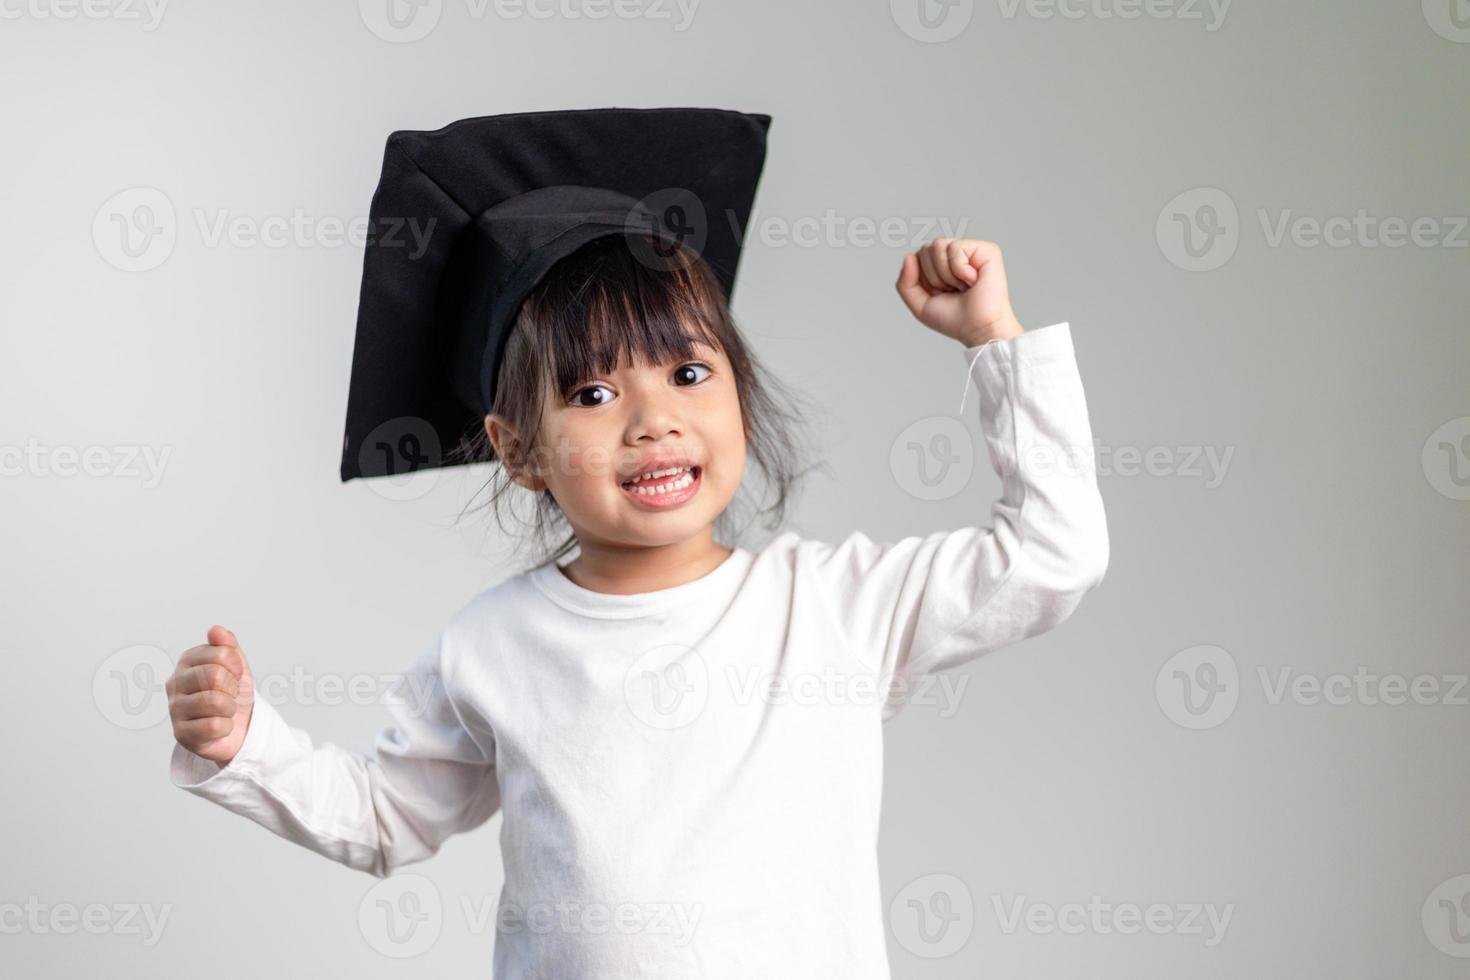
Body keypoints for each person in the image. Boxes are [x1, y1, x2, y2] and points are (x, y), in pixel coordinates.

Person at [165, 108, 1109, 979]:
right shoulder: (491, 645)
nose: (654, 420)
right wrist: (247, 747)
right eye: (592, 393)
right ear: (519, 449)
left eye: (690, 371)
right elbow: (383, 819)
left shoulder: (831, 607)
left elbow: (1049, 558)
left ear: (739, 390)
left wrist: (997, 343)